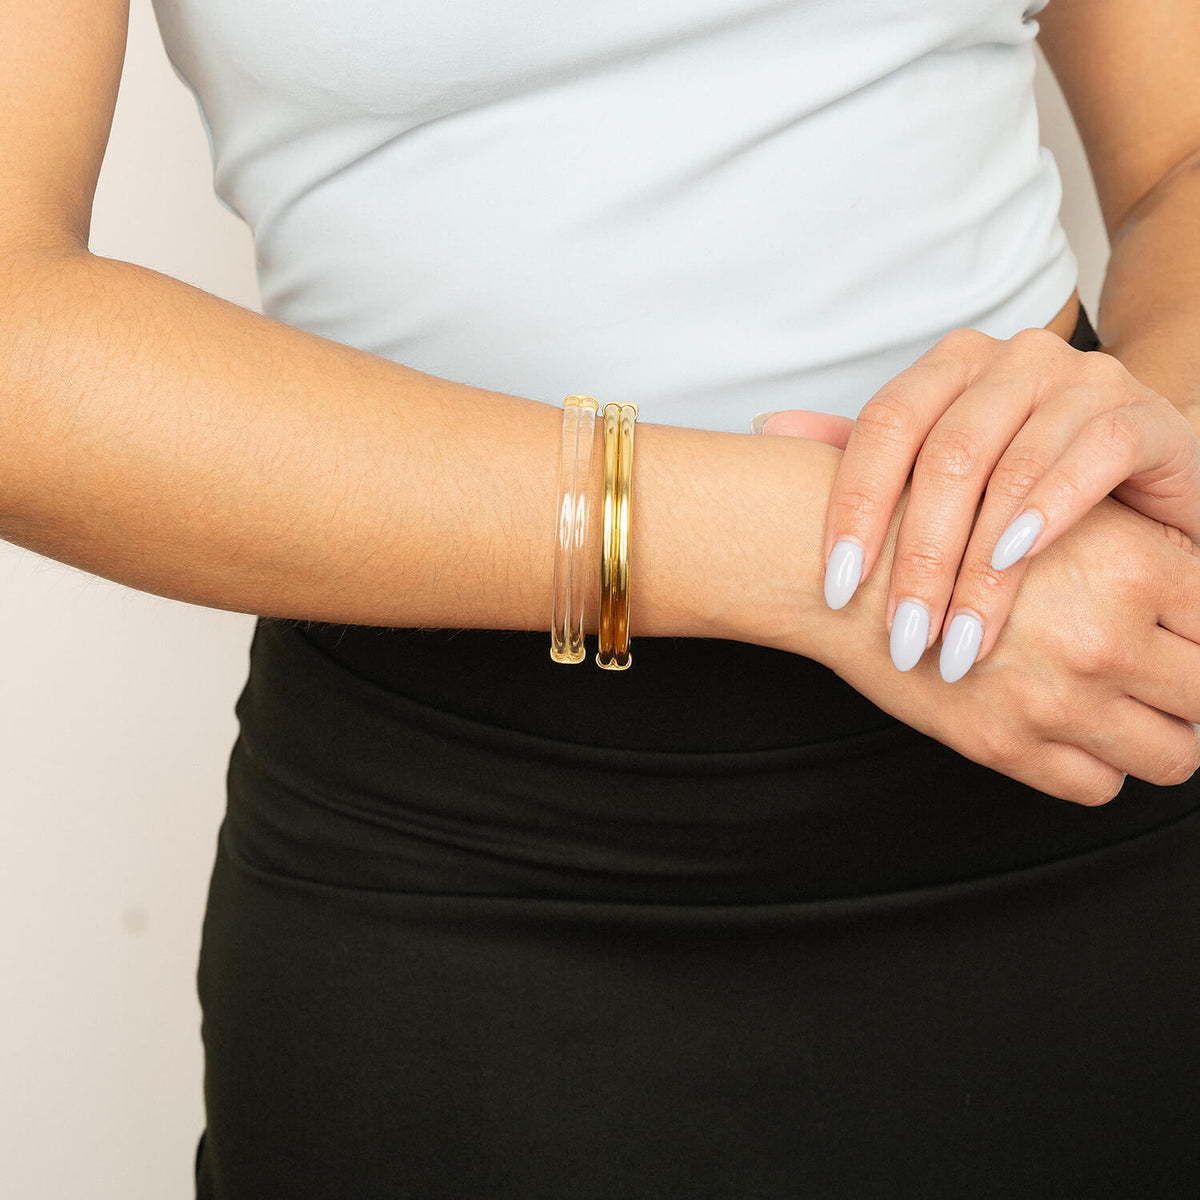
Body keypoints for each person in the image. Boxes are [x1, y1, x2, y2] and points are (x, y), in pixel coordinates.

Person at [2, 0, 1198, 1196]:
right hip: (465, 872)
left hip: (1088, 717)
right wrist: (816, 553)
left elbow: (1181, 160)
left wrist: (1148, 453)